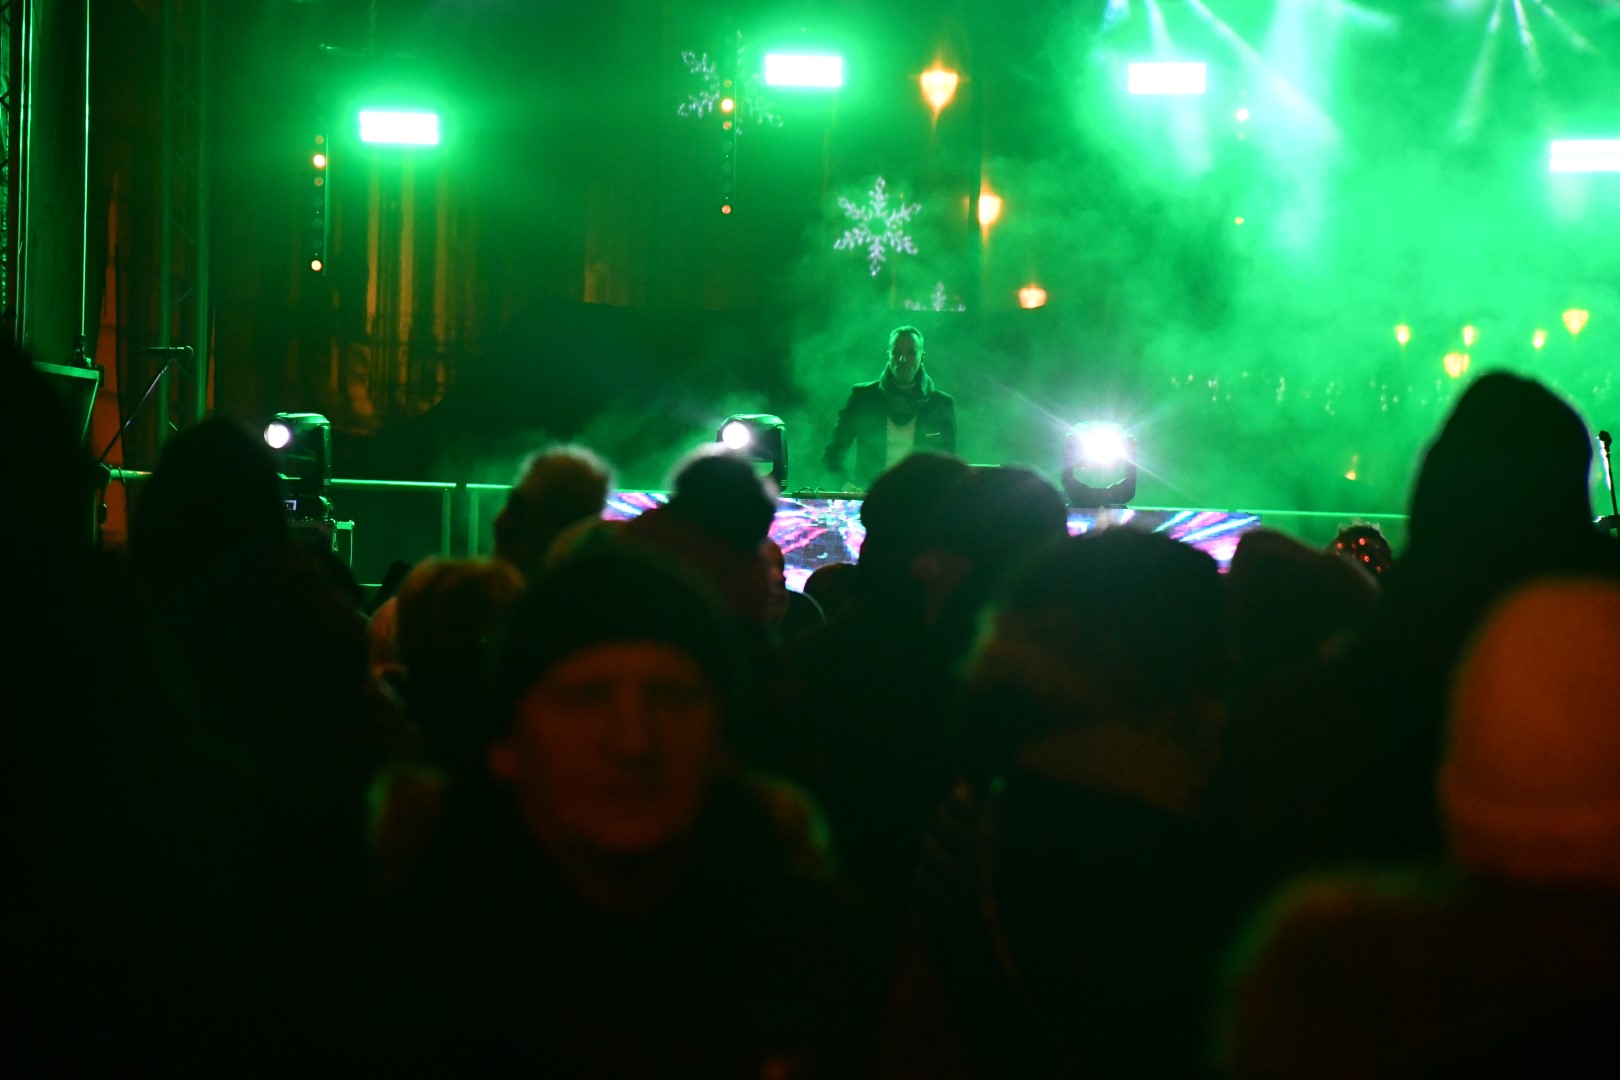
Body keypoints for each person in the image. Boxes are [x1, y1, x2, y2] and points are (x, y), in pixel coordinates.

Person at [821, 325, 956, 488]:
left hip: (920, 498)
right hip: (871, 494)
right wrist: (847, 488)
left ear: (922, 357)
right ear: (889, 356)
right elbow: (833, 455)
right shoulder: (863, 398)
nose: (903, 359)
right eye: (897, 352)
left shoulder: (941, 404)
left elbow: (949, 466)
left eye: (911, 353)